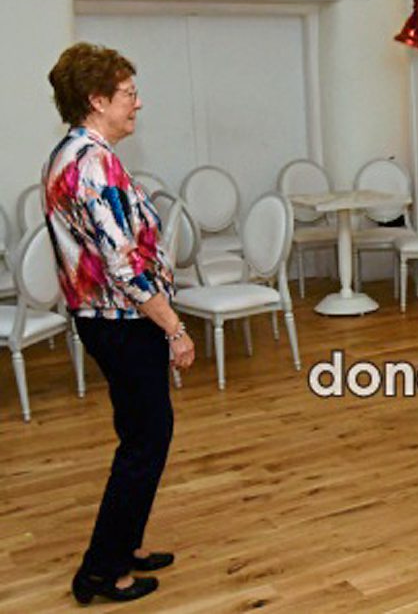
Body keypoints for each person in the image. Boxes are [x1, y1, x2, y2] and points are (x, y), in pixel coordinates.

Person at [43, 42, 196, 603]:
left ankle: (123, 546)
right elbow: (123, 264)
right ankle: (102, 571)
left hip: (110, 319)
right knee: (145, 442)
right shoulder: (92, 162)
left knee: (140, 436)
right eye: (129, 93)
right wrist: (174, 327)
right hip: (123, 321)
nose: (138, 103)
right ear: (97, 100)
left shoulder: (72, 153)